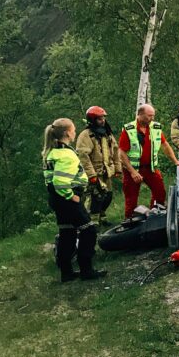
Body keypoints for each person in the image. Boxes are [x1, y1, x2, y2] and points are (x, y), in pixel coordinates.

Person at [43, 118, 105, 282]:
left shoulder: (52, 152)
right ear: (67, 133)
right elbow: (60, 182)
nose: (75, 132)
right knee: (88, 230)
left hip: (56, 199)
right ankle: (86, 269)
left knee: (67, 233)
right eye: (73, 130)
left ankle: (67, 272)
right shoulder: (65, 154)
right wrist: (72, 196)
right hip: (67, 199)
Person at [119, 103, 179, 219]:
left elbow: (165, 145)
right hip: (132, 170)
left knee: (160, 193)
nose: (152, 118)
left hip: (151, 168)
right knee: (131, 199)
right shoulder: (129, 129)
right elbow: (121, 153)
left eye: (153, 115)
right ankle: (130, 223)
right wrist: (132, 172)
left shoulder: (155, 127)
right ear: (140, 115)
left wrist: (175, 161)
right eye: (149, 116)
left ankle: (155, 215)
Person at [75, 105, 121, 226]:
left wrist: (117, 169)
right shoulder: (86, 135)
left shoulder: (107, 134)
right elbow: (83, 156)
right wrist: (91, 175)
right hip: (95, 172)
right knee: (96, 197)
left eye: (103, 118)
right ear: (92, 120)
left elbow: (116, 151)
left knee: (108, 196)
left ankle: (102, 217)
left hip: (107, 172)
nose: (103, 121)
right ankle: (93, 222)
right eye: (99, 119)